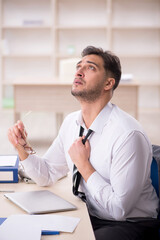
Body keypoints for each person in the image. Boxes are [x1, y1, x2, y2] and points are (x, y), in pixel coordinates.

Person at [8, 46, 160, 240]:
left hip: (131, 224)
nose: (79, 71)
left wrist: (84, 165)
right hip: (92, 214)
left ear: (108, 83)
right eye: (78, 66)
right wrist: (22, 148)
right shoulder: (72, 122)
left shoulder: (128, 135)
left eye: (90, 68)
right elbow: (46, 174)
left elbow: (119, 209)